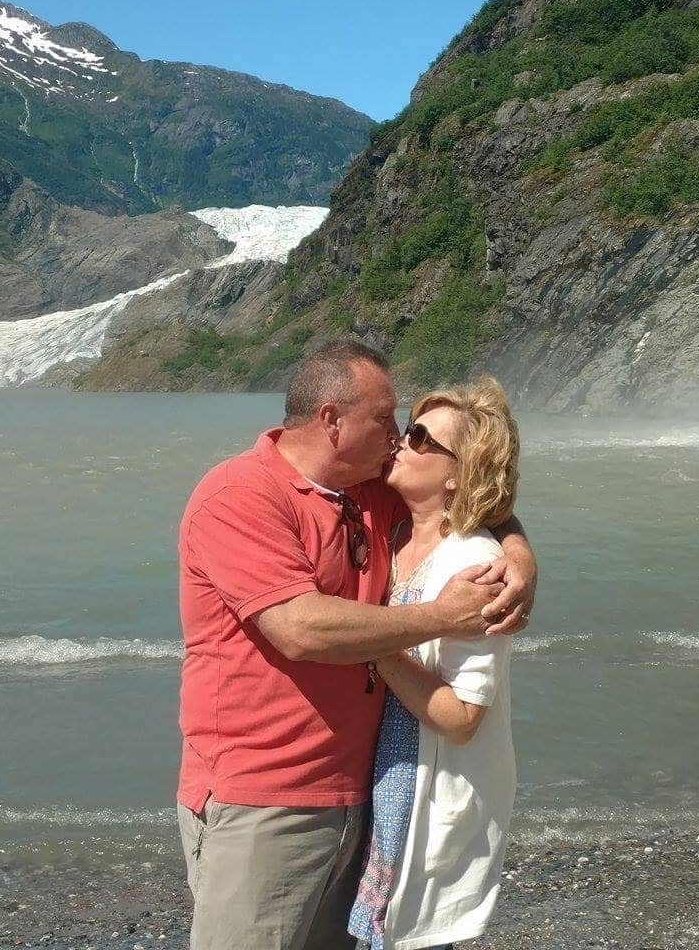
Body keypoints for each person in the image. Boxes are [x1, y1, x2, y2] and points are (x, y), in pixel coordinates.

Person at [175, 340, 537, 950]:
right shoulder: (239, 497)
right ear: (332, 420)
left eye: (412, 431)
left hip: (362, 793)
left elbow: (477, 499)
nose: (398, 437)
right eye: (387, 420)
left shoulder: (371, 490)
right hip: (267, 796)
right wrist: (442, 615)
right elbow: (301, 629)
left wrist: (521, 558)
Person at [349, 376, 521, 950]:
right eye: (406, 429)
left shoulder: (474, 560)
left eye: (421, 438)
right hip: (376, 779)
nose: (401, 441)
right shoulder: (388, 530)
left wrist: (369, 639)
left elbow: (463, 716)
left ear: (458, 473)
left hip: (426, 787)